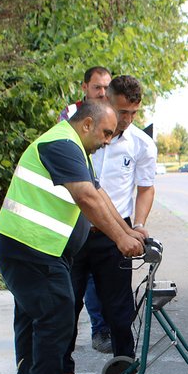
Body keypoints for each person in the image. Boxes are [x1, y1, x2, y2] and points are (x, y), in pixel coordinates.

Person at [0, 102, 145, 374]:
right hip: (30, 248)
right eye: (105, 133)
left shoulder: (74, 148)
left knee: (34, 321)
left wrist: (128, 231)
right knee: (57, 316)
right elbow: (86, 198)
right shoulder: (61, 144)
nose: (108, 140)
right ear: (87, 124)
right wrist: (121, 240)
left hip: (35, 248)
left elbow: (99, 195)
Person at [61, 75, 158, 374]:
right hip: (74, 230)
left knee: (119, 309)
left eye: (133, 114)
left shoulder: (141, 144)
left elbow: (145, 188)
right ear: (106, 102)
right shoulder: (80, 134)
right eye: (122, 112)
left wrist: (139, 225)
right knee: (67, 306)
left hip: (116, 233)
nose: (127, 121)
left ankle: (125, 371)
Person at [58, 66, 114, 354]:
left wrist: (126, 230)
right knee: (69, 299)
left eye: (107, 87)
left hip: (107, 223)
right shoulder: (72, 117)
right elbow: (87, 191)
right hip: (78, 222)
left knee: (109, 295)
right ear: (85, 88)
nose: (103, 92)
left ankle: (104, 335)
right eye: (97, 87)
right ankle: (63, 372)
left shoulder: (118, 119)